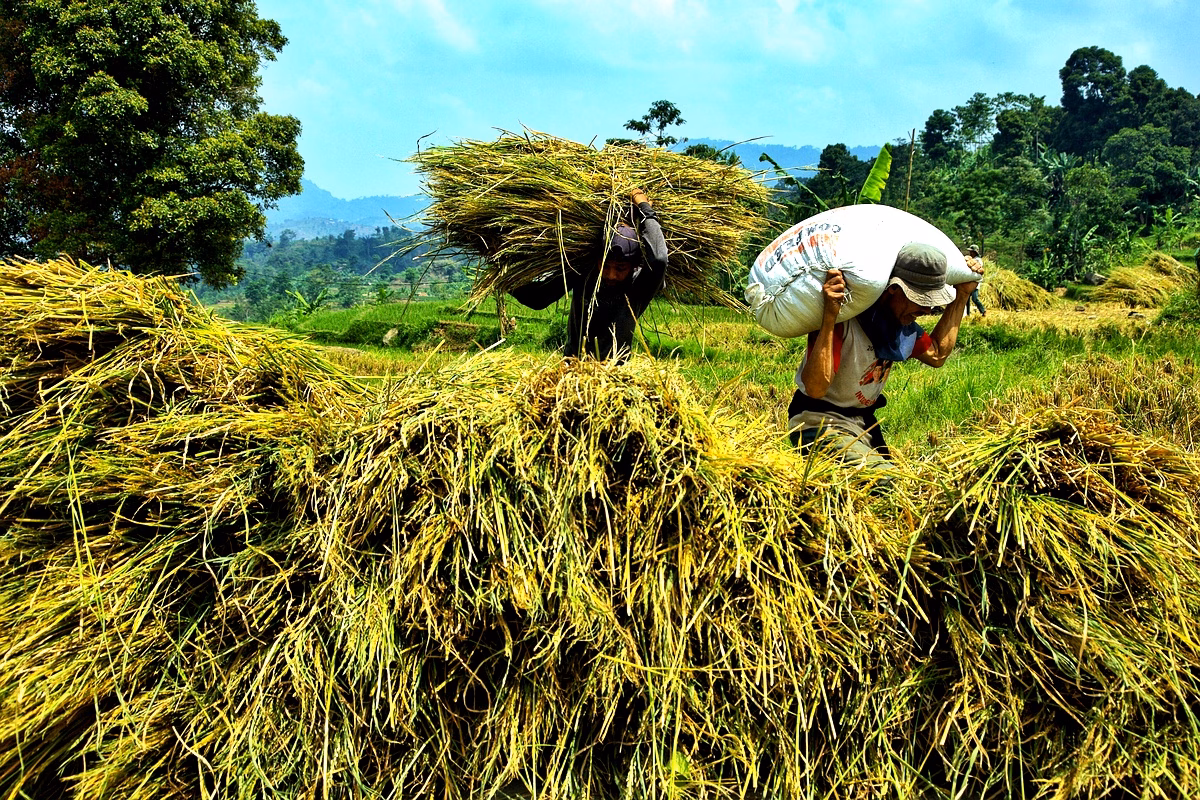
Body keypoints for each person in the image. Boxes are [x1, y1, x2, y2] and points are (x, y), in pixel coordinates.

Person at [787, 243, 977, 466]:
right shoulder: (844, 322)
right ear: (894, 289)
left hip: (862, 424)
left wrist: (962, 295)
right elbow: (815, 388)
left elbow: (937, 355)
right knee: (885, 481)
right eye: (920, 299)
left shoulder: (900, 326)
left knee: (900, 480)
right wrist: (829, 315)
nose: (926, 310)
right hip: (818, 421)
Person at [509, 189, 668, 361]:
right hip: (572, 370)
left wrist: (645, 209)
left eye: (620, 268)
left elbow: (659, 259)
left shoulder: (639, 285)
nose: (611, 275)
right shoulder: (583, 274)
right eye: (605, 266)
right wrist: (505, 274)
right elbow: (537, 299)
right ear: (597, 260)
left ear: (634, 265)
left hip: (615, 374)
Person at [963, 246, 986, 317]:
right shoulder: (972, 259)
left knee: (974, 298)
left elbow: (977, 269)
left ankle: (983, 311)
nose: (970, 253)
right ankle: (967, 314)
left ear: (975, 252)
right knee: (966, 298)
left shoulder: (978, 260)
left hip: (975, 282)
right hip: (970, 281)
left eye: (971, 252)